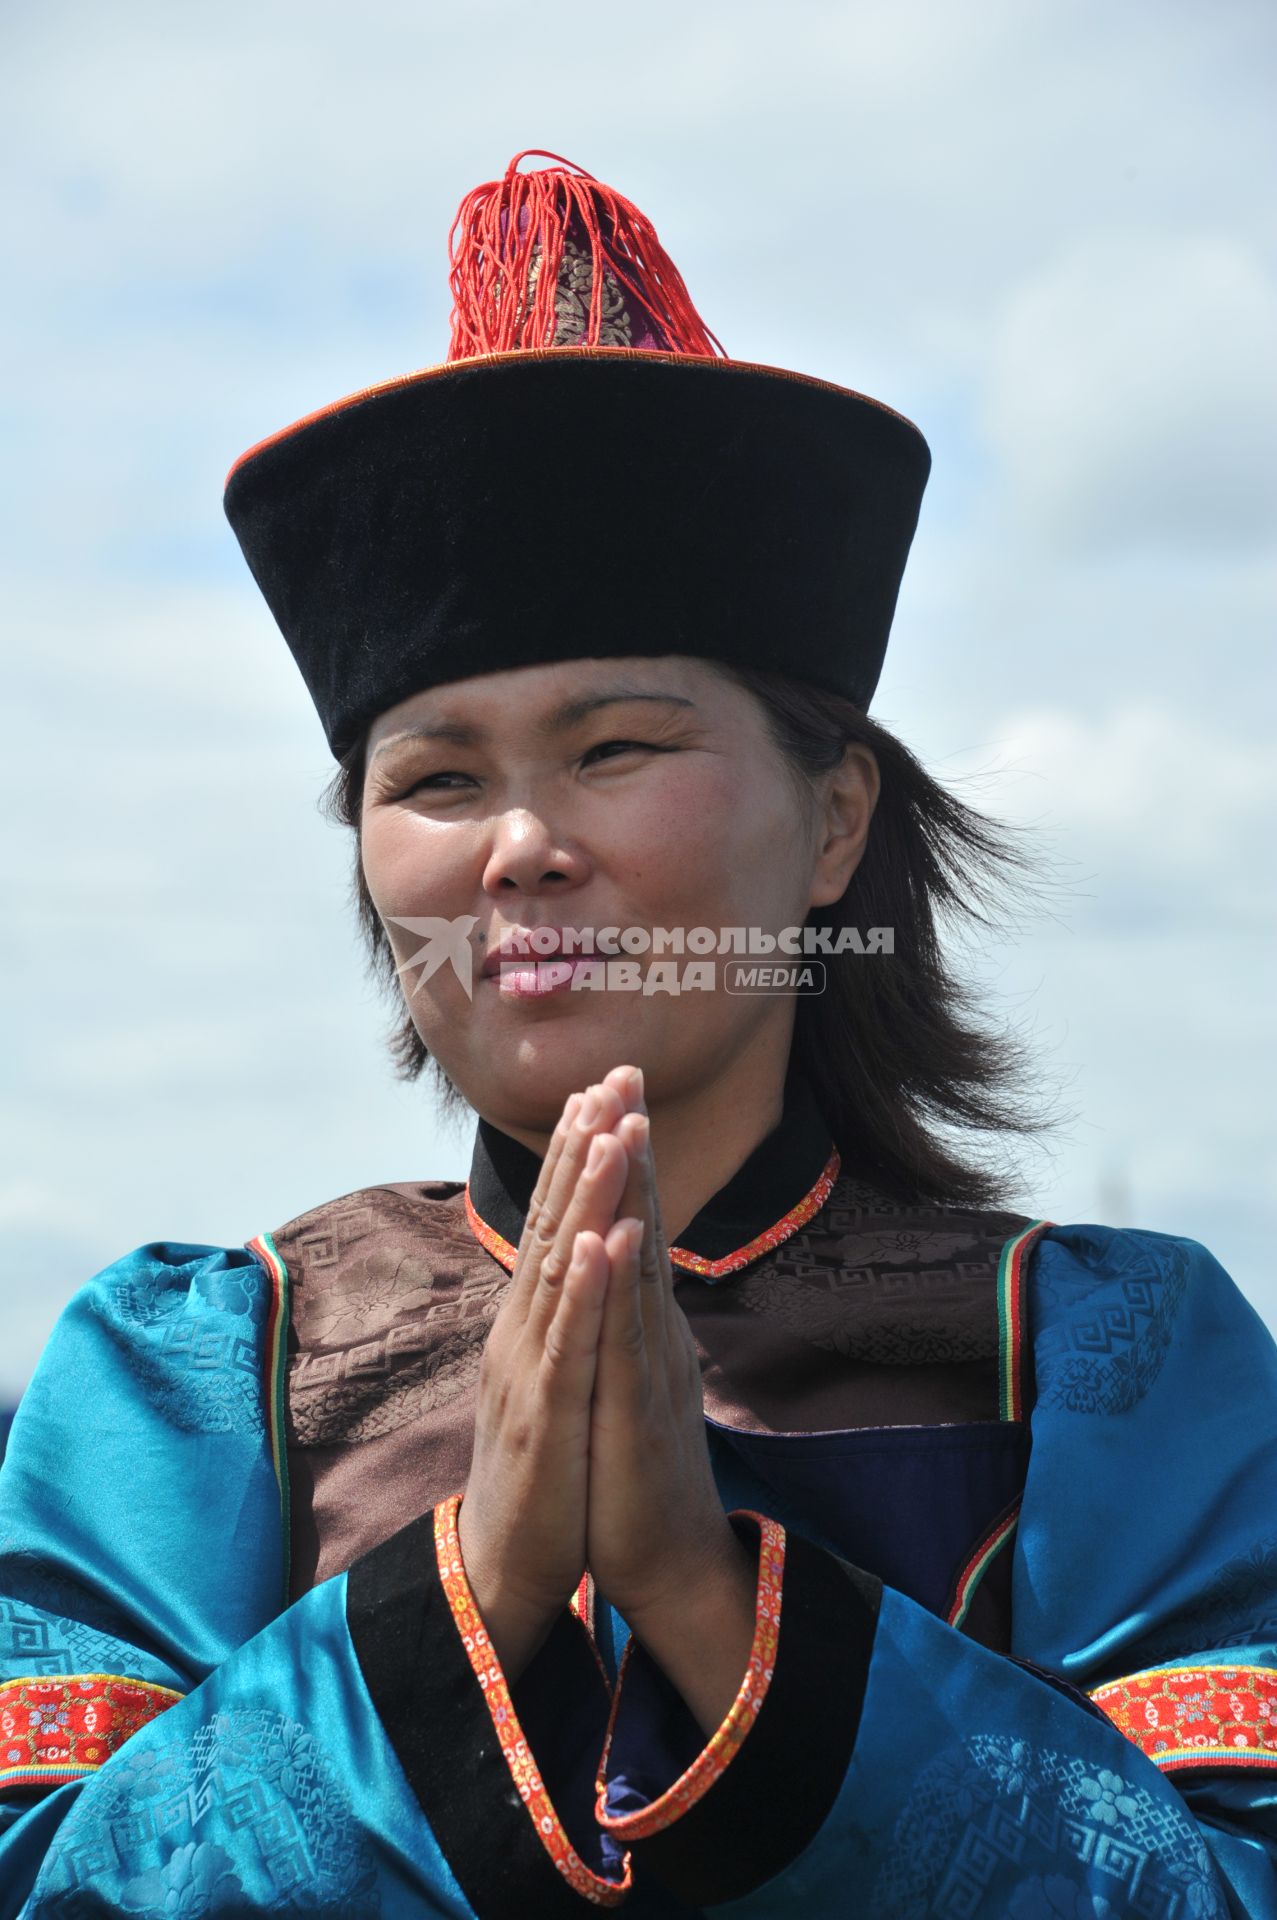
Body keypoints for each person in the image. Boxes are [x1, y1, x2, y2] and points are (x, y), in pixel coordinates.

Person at [1, 149, 1274, 1918]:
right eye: (436, 779)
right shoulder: (202, 1373)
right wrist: (477, 1584)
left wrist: (705, 1593)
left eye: (612, 750)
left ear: (832, 824)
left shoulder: (1101, 1366)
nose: (519, 844)